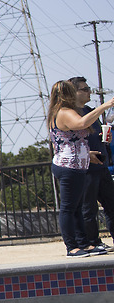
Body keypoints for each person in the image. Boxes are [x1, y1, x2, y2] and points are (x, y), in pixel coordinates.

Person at [46, 80, 114, 257]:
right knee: (69, 208)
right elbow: (81, 124)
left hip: (76, 164)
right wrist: (105, 106)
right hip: (69, 166)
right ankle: (72, 247)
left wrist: (87, 154)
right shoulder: (64, 112)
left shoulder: (59, 112)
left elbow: (68, 140)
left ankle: (84, 244)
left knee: (76, 208)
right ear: (68, 94)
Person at [68, 76, 114, 247]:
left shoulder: (89, 110)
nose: (89, 92)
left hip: (101, 166)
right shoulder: (71, 114)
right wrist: (106, 105)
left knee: (111, 206)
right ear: (74, 92)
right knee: (89, 209)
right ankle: (93, 242)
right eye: (85, 89)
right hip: (85, 169)